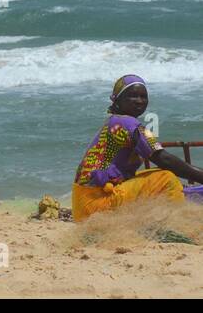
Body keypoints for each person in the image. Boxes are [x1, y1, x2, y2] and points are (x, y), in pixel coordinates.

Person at [70, 74, 203, 221]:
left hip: (83, 206)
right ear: (117, 99)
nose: (140, 101)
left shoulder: (115, 121)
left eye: (143, 96)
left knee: (152, 175)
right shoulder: (128, 124)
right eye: (133, 96)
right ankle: (177, 225)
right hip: (96, 204)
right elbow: (164, 159)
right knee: (166, 178)